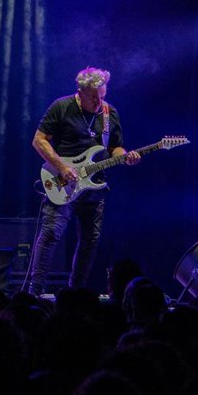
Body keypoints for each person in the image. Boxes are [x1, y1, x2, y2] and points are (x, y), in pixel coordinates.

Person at [23, 67, 139, 295]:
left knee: (90, 240)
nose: (99, 102)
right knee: (51, 233)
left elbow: (115, 147)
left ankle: (75, 292)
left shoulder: (109, 113)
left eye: (102, 96)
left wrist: (125, 157)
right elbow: (39, 140)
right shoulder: (62, 107)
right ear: (80, 91)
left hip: (94, 187)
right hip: (63, 181)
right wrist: (62, 167)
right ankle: (34, 291)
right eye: (93, 97)